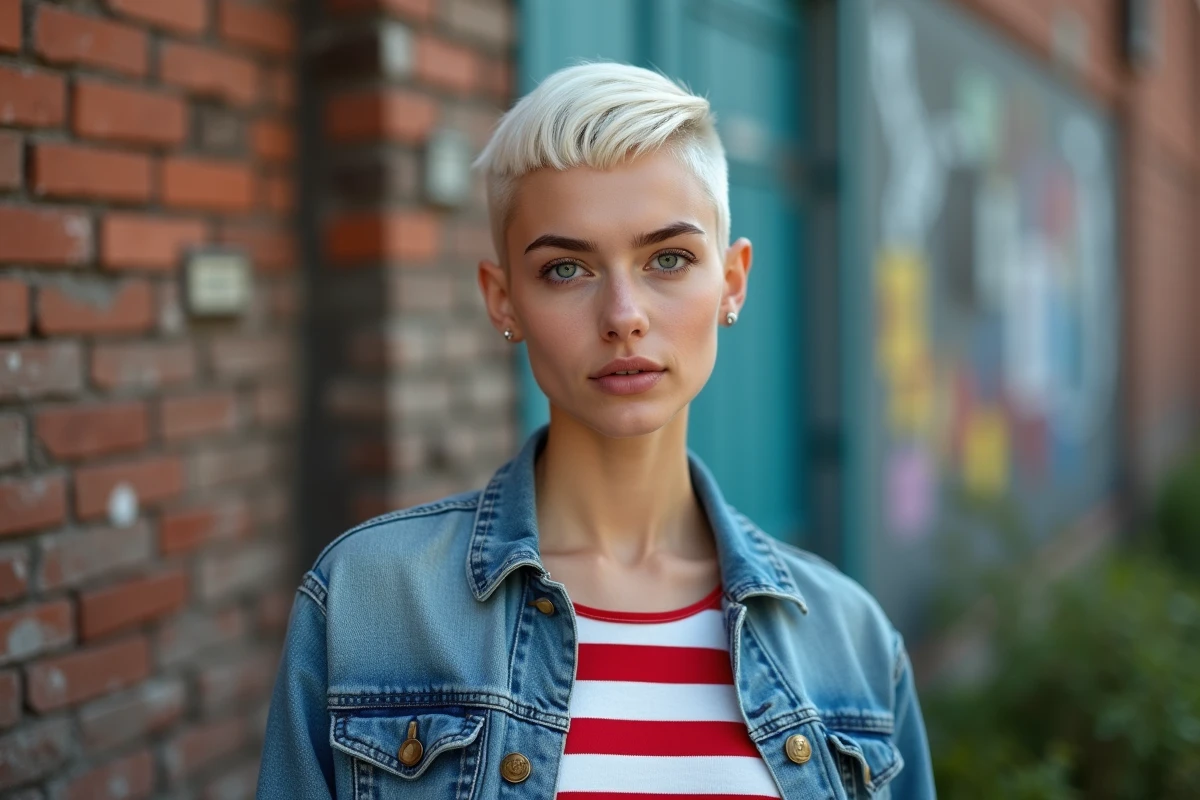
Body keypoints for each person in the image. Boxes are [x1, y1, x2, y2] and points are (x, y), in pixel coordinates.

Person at [256, 60, 935, 799]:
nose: (623, 315)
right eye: (565, 270)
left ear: (732, 283)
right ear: (502, 299)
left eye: (668, 259)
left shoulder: (851, 641)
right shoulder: (365, 603)